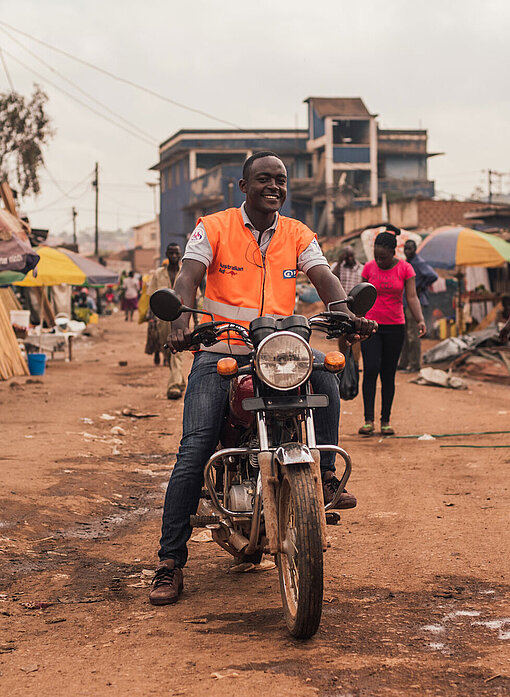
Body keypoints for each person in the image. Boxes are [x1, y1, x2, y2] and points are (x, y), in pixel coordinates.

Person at [148, 151, 376, 606]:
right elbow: (187, 277)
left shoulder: (298, 232)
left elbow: (324, 276)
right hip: (223, 350)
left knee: (326, 372)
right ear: (243, 185)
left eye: (281, 180)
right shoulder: (211, 227)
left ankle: (325, 477)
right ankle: (169, 562)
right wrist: (179, 323)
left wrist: (346, 312)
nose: (274, 186)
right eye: (264, 179)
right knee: (194, 449)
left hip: (281, 349)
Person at [359, 226, 425, 437]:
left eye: (383, 257)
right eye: (377, 257)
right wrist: (356, 321)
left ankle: (385, 421)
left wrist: (420, 319)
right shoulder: (368, 268)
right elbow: (359, 297)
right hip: (371, 326)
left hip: (395, 326)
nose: (379, 261)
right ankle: (368, 421)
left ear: (393, 253)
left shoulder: (406, 269)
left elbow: (412, 297)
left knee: (388, 374)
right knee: (370, 370)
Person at [148, 244, 186, 399]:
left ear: (180, 254)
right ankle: (180, 380)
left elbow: (195, 297)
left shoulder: (186, 272)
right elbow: (152, 297)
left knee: (178, 350)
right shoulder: (158, 274)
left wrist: (195, 321)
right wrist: (151, 319)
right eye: (171, 252)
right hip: (162, 318)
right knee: (167, 349)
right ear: (166, 254)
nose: (173, 255)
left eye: (176, 253)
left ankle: (174, 385)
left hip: (181, 317)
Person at [398, 239, 438, 372]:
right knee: (404, 335)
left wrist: (421, 286)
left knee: (413, 334)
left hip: (414, 303)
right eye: (405, 249)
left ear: (415, 249)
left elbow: (433, 276)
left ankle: (414, 364)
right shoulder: (407, 263)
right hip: (404, 302)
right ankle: (403, 362)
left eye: (409, 249)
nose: (407, 251)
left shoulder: (419, 263)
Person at [332, 244, 364, 365]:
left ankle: (355, 363)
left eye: (351, 256)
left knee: (356, 336)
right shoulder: (338, 267)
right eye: (347, 256)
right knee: (342, 335)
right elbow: (332, 278)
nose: (349, 259)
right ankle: (344, 360)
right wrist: (340, 262)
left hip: (356, 308)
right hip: (342, 307)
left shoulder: (361, 268)